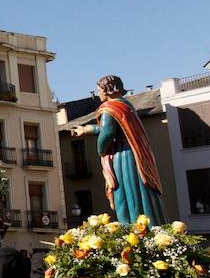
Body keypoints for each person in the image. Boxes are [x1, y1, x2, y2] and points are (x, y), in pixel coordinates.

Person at [69, 75, 166, 225]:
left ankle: (131, 226)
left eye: (99, 90)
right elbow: (112, 128)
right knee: (142, 193)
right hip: (137, 155)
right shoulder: (126, 105)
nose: (99, 93)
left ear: (107, 90)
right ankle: (150, 224)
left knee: (126, 193)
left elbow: (107, 133)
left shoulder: (109, 109)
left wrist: (101, 150)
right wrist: (87, 129)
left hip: (123, 156)